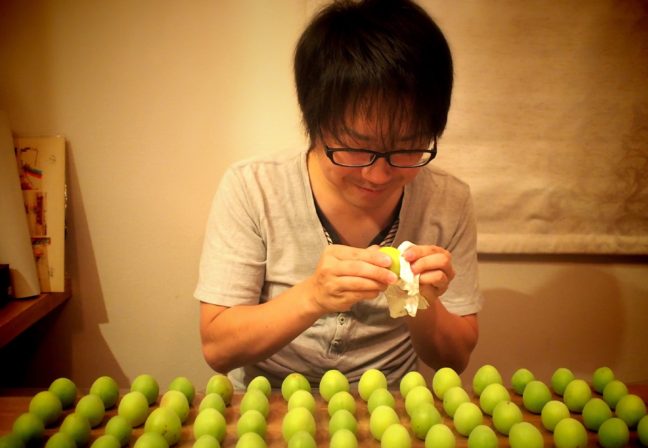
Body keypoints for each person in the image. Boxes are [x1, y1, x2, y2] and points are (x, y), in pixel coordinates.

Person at [194, 0, 482, 389]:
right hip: (271, 402)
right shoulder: (253, 187)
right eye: (356, 147)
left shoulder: (448, 200)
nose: (377, 174)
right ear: (315, 123)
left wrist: (419, 299)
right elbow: (218, 349)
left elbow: (454, 359)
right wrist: (313, 296)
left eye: (406, 148)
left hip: (390, 402)